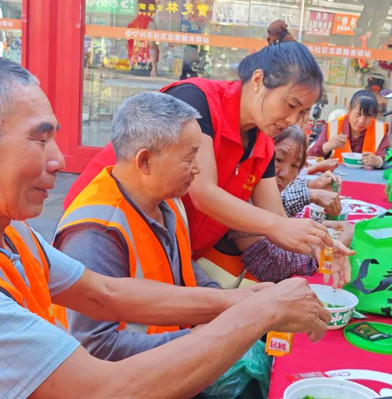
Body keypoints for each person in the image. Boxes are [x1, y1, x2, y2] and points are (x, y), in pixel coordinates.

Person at [0, 58, 330, 398]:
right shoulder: (95, 232)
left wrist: (239, 302)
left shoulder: (18, 234)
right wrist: (246, 319)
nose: (59, 161)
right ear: (145, 161)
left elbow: (105, 293)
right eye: (39, 140)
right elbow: (99, 385)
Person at [64, 40, 335, 263]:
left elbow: (275, 217)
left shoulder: (263, 144)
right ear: (258, 79)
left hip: (170, 254)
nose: (293, 121)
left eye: (301, 112)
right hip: (107, 232)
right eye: (290, 105)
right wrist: (279, 227)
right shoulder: (195, 100)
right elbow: (204, 193)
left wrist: (325, 243)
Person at [52, 92, 224, 360]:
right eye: (189, 158)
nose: (197, 169)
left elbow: (181, 265)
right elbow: (96, 347)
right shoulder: (96, 234)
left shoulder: (169, 201)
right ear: (145, 161)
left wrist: (217, 301)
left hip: (173, 361)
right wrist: (201, 339)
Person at [197, 126, 351, 288]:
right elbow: (270, 263)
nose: (285, 173)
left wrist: (317, 230)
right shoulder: (241, 193)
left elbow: (276, 209)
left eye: (295, 166)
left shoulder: (261, 193)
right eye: (278, 160)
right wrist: (325, 252)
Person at [308, 90, 390, 169]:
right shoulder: (333, 127)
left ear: (374, 116)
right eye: (358, 114)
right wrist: (327, 146)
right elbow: (310, 157)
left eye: (368, 116)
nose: (361, 121)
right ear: (349, 110)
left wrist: (378, 161)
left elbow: (389, 160)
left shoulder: (379, 130)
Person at [127, 0, 159, 77]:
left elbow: (128, 45)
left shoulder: (132, 23)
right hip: (146, 63)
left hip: (134, 63)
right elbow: (151, 46)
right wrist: (154, 67)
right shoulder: (150, 24)